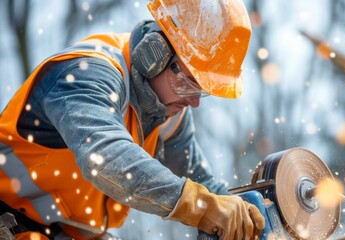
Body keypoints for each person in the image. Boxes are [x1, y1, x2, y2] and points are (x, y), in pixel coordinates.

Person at [0, 0, 265, 239]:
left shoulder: (169, 113)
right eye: (189, 84)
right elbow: (107, 158)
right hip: (7, 214)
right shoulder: (87, 74)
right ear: (155, 54)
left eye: (202, 92)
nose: (194, 102)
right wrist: (200, 206)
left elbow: (204, 185)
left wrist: (246, 212)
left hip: (65, 230)